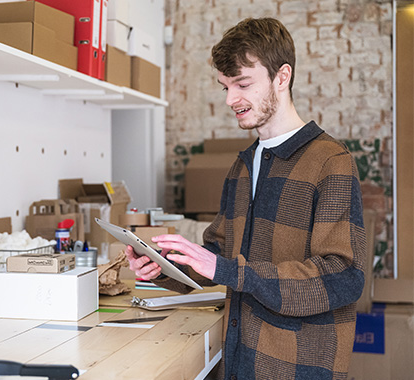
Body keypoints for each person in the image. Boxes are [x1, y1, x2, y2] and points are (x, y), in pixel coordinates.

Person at [125, 17, 366, 380]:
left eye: (242, 83)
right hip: (241, 361)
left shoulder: (331, 162)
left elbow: (344, 276)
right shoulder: (243, 166)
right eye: (225, 86)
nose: (230, 99)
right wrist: (163, 268)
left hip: (298, 368)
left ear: (282, 77)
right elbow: (219, 260)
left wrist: (229, 270)